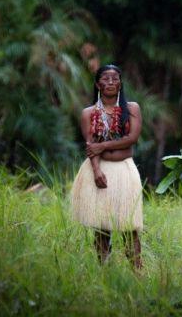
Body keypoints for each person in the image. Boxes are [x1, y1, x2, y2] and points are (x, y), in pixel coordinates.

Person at [71, 64, 143, 269]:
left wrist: (103, 145)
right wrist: (96, 171)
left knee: (129, 224)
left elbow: (132, 138)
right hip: (99, 169)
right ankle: (103, 269)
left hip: (124, 170)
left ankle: (136, 270)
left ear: (120, 83)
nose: (110, 82)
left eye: (114, 78)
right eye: (105, 78)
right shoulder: (88, 113)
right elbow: (90, 144)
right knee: (101, 225)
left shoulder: (132, 109)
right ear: (97, 84)